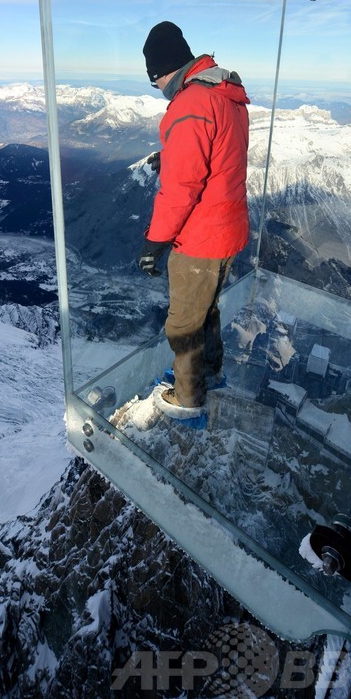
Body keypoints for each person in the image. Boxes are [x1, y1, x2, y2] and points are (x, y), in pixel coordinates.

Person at [138, 21, 250, 419]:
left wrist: (154, 242)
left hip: (201, 237)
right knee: (207, 310)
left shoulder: (190, 104)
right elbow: (218, 154)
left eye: (154, 80)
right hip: (228, 229)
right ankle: (209, 372)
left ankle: (188, 399)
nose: (157, 88)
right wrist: (169, 156)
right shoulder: (223, 94)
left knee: (184, 323)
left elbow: (181, 188)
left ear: (162, 70)